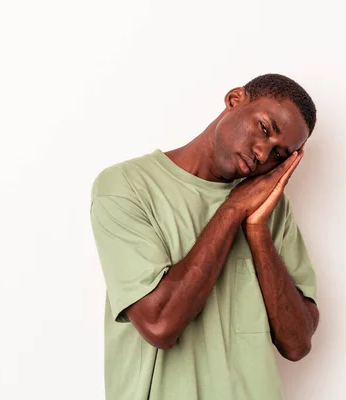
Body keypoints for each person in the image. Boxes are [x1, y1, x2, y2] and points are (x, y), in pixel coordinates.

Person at [89, 73, 320, 400]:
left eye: (279, 155)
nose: (262, 154)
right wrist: (233, 208)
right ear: (234, 100)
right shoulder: (126, 187)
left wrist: (256, 231)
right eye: (264, 128)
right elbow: (159, 325)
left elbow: (298, 343)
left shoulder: (270, 208)